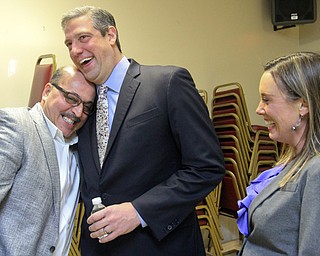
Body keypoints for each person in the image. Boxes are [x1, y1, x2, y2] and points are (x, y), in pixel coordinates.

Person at [61, 5, 225, 256]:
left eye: (83, 38)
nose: (75, 50)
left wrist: (138, 212)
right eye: (69, 44)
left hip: (160, 246)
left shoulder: (167, 83)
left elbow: (206, 167)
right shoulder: (84, 105)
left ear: (111, 35)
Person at [0, 65, 96, 255]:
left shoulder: (79, 148)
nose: (77, 112)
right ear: (46, 92)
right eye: (71, 98)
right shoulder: (17, 126)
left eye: (86, 106)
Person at [237, 52, 320, 255]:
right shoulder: (294, 160)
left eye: (266, 100)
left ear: (303, 105)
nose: (259, 109)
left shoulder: (316, 169)